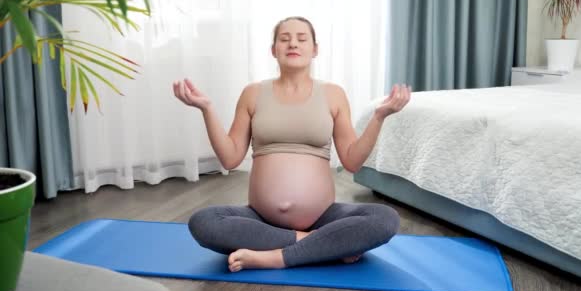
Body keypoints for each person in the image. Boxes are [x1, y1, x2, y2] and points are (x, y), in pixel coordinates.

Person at [172, 16, 411, 272]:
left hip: (323, 217)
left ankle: (273, 257)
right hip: (262, 219)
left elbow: (352, 161)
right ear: (273, 50)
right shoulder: (253, 93)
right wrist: (207, 109)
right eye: (284, 39)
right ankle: (319, 245)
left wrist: (379, 117)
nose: (292, 44)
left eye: (301, 38)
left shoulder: (333, 94)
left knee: (385, 220)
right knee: (204, 222)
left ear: (315, 49)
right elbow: (230, 158)